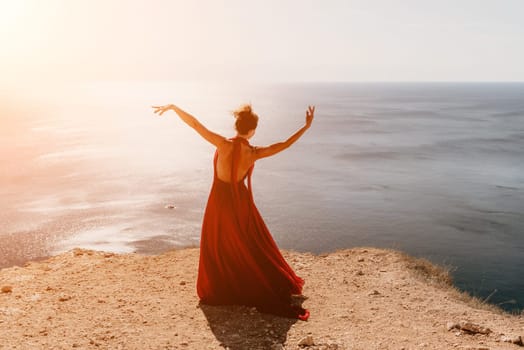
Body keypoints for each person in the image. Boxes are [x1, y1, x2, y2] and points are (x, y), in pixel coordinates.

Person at [152, 103, 314, 320]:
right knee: (249, 244)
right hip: (240, 202)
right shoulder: (253, 153)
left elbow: (195, 124)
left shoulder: (221, 144)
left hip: (219, 200)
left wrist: (174, 108)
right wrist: (306, 127)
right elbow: (285, 144)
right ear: (253, 130)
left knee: (219, 243)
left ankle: (225, 286)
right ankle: (251, 282)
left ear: (237, 126)